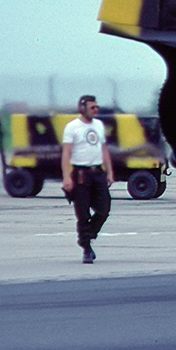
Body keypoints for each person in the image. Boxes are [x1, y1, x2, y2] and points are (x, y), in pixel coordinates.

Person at [61, 95, 113, 263]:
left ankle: (87, 235)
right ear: (82, 108)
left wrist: (109, 171)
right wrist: (67, 177)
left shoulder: (98, 125)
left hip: (97, 172)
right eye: (92, 107)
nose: (96, 110)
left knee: (103, 209)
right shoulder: (72, 127)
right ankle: (86, 249)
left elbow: (104, 149)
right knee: (83, 214)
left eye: (97, 107)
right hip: (80, 174)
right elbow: (66, 153)